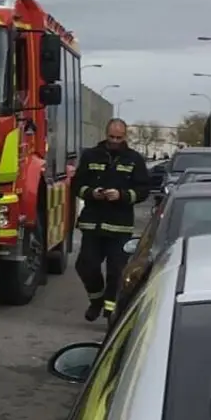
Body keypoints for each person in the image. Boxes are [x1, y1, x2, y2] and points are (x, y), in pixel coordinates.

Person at [70, 117, 150, 322]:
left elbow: (143, 190)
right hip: (93, 223)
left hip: (119, 226)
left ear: (125, 136)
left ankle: (110, 311)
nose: (114, 141)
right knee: (86, 265)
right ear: (105, 135)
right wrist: (92, 193)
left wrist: (122, 195)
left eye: (118, 138)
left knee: (117, 271)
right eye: (111, 137)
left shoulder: (134, 159)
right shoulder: (91, 155)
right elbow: (77, 185)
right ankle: (96, 300)